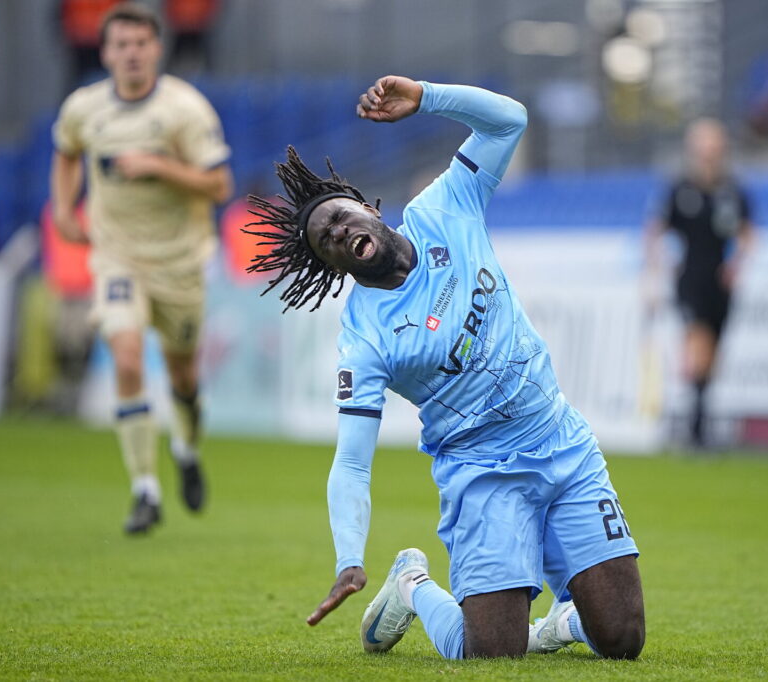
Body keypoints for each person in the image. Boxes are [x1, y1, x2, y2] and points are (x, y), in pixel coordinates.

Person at [245, 76, 645, 660]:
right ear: (330, 264)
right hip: (483, 473)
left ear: (364, 205)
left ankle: (563, 624)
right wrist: (349, 558)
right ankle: (411, 584)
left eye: (340, 216)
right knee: (489, 655)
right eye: (326, 239)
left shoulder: (443, 209)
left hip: (561, 442)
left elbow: (509, 118)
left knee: (624, 640)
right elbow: (352, 462)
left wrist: (427, 97)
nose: (339, 232)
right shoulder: (364, 337)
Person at [50, 2, 233, 534]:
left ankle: (186, 447)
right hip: (117, 256)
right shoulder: (85, 107)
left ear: (156, 49)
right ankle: (145, 490)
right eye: (120, 45)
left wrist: (157, 165)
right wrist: (64, 207)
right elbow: (65, 151)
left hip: (179, 262)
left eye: (140, 44)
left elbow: (219, 185)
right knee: (126, 356)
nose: (131, 54)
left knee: (183, 376)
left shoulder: (185, 110)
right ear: (105, 52)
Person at [643, 119, 754, 449]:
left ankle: (697, 416)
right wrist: (655, 268)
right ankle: (695, 426)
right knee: (698, 342)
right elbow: (656, 230)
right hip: (689, 277)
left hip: (720, 281)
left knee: (712, 352)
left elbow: (748, 234)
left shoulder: (733, 190)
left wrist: (737, 265)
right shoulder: (680, 189)